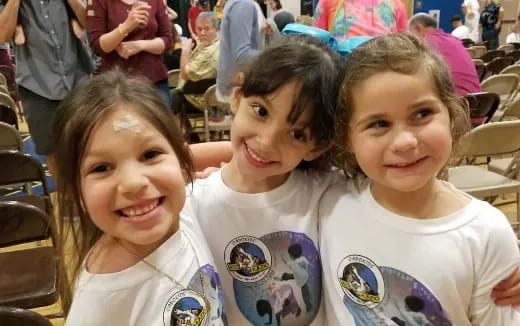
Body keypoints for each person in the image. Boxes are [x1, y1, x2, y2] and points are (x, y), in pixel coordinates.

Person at [319, 32, 520, 325]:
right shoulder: (328, 199)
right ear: (346, 137)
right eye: (379, 123)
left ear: (452, 114)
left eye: (422, 114)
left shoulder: (486, 234)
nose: (404, 142)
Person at [184, 34, 345, 325]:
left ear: (317, 147)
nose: (268, 142)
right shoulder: (191, 204)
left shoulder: (330, 193)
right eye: (261, 111)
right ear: (236, 95)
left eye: (298, 134)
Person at [52, 71, 226, 325]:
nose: (134, 183)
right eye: (101, 168)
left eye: (150, 154)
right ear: (75, 192)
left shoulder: (181, 207)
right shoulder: (99, 301)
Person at [0, 0, 94, 177]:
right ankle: (66, 200)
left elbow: (90, 22)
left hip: (77, 79)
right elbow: (2, 35)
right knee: (52, 151)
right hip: (36, 86)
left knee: (89, 144)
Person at [86, 0, 173, 107]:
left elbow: (168, 40)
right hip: (115, 85)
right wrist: (125, 27)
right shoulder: (99, 2)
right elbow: (97, 46)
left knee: (161, 122)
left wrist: (141, 45)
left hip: (154, 81)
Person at [409, 13, 481, 96]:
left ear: (418, 28)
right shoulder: (454, 40)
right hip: (481, 102)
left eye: (410, 34)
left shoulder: (424, 44)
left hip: (457, 103)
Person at [172, 12, 219, 120]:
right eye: (199, 29)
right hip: (194, 93)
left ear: (216, 29)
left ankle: (175, 134)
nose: (202, 33)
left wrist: (185, 52)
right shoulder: (205, 44)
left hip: (202, 100)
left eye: (207, 29)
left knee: (167, 100)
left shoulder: (212, 51)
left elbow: (184, 75)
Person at [216, 0, 263, 101]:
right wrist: (275, 55)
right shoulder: (243, 4)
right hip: (238, 91)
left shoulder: (241, 4)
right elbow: (242, 54)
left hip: (237, 87)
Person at [312, 0, 408, 45]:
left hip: (383, 75)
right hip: (341, 75)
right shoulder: (329, 2)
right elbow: (315, 43)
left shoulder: (397, 5)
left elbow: (403, 46)